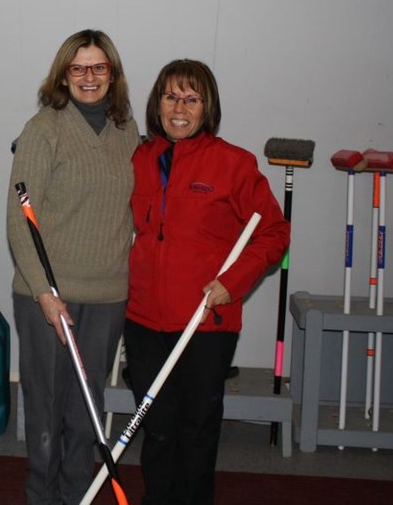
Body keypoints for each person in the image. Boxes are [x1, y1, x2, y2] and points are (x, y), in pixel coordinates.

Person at [124, 59, 290, 505]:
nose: (180, 108)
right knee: (157, 429)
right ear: (157, 102)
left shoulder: (234, 164)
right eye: (171, 96)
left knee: (196, 430)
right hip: (143, 322)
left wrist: (230, 283)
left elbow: (274, 234)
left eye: (191, 99)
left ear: (207, 106)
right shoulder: (139, 159)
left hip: (206, 323)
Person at [7, 29, 139, 504]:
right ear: (64, 74)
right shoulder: (44, 129)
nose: (89, 77)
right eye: (78, 68)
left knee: (87, 412)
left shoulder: (128, 131)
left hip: (107, 296)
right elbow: (20, 221)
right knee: (46, 411)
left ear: (113, 74)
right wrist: (44, 292)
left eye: (99, 67)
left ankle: (76, 498)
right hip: (47, 297)